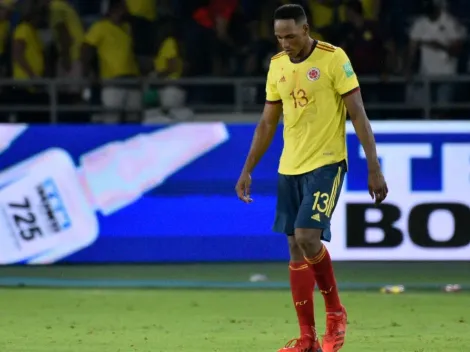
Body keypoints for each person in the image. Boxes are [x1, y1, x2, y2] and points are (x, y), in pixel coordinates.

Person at [235, 4, 388, 352]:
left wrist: (373, 166)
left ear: (306, 29)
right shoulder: (277, 66)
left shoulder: (334, 59)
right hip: (290, 166)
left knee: (306, 236)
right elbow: (267, 123)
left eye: (290, 35)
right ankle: (307, 339)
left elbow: (358, 114)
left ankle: (335, 313)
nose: (284, 43)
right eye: (278, 37)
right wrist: (247, 169)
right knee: (293, 247)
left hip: (327, 163)